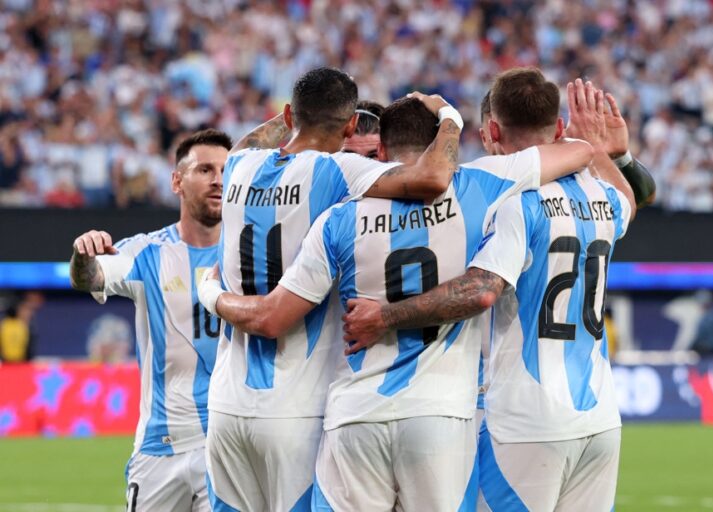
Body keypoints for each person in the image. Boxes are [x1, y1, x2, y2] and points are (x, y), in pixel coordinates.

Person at [198, 93, 594, 509]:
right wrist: (447, 113)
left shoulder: (337, 217)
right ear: (443, 149)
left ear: (381, 151)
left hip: (353, 415)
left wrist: (210, 291)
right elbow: (578, 151)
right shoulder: (480, 185)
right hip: (439, 416)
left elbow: (274, 314)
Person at [342, 71, 655, 511]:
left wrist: (386, 316)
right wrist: (605, 151)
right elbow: (629, 196)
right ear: (560, 129)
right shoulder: (602, 199)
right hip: (599, 420)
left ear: (490, 132)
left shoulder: (510, 204)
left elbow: (483, 290)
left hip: (524, 420)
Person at [203, 67, 466, 512]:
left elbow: (252, 139)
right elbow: (434, 178)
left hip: (226, 406)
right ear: (349, 128)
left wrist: (209, 294)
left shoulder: (239, 165)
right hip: (296, 407)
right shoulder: (339, 169)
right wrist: (450, 118)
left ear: (289, 114)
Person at [68, 123, 287, 512]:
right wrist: (82, 256)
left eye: (225, 171)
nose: (218, 181)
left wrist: (291, 120)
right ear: (177, 182)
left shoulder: (252, 254)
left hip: (225, 446)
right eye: (204, 170)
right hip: (158, 449)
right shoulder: (146, 253)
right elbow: (90, 279)